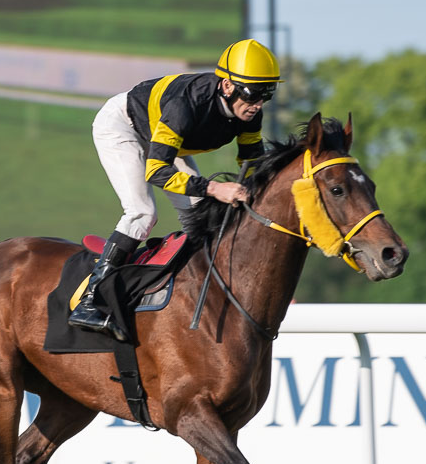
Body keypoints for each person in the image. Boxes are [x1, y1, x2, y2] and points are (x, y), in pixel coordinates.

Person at [67, 38, 282, 340]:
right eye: (254, 93)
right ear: (227, 86)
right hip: (124, 126)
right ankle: (90, 300)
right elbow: (157, 171)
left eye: (267, 93)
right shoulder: (185, 105)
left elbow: (254, 165)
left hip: (168, 142)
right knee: (142, 212)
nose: (259, 103)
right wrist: (214, 188)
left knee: (201, 219)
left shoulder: (250, 115)